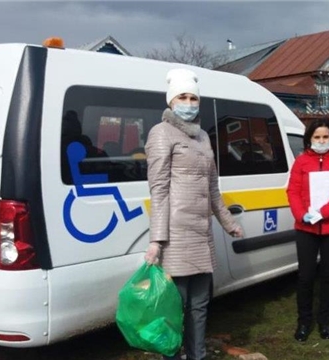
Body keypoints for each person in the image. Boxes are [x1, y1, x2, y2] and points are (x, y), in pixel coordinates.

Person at [143, 68, 243, 360]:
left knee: (200, 307)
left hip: (202, 237)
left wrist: (228, 223)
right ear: (172, 101)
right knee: (174, 309)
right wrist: (156, 241)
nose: (189, 102)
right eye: (183, 97)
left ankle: (197, 355)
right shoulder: (161, 134)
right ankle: (173, 356)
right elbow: (158, 190)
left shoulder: (202, 137)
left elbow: (213, 188)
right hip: (175, 237)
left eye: (193, 98)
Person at [286, 118, 329, 342]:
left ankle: (325, 322)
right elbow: (293, 191)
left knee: (328, 276)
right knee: (305, 276)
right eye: (317, 137)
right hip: (306, 228)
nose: (321, 141)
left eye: (325, 137)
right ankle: (304, 322)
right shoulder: (302, 161)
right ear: (310, 139)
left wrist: (323, 212)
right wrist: (301, 214)